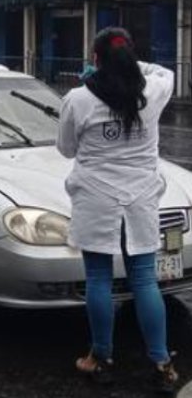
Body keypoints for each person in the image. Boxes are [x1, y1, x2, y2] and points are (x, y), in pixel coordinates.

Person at [56, 28, 178, 393]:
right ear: (129, 56)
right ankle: (161, 363)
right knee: (144, 278)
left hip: (96, 198)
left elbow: (65, 149)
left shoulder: (78, 98)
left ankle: (101, 358)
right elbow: (162, 71)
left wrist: (101, 72)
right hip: (140, 197)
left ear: (94, 61)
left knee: (98, 278)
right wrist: (128, 63)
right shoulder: (153, 91)